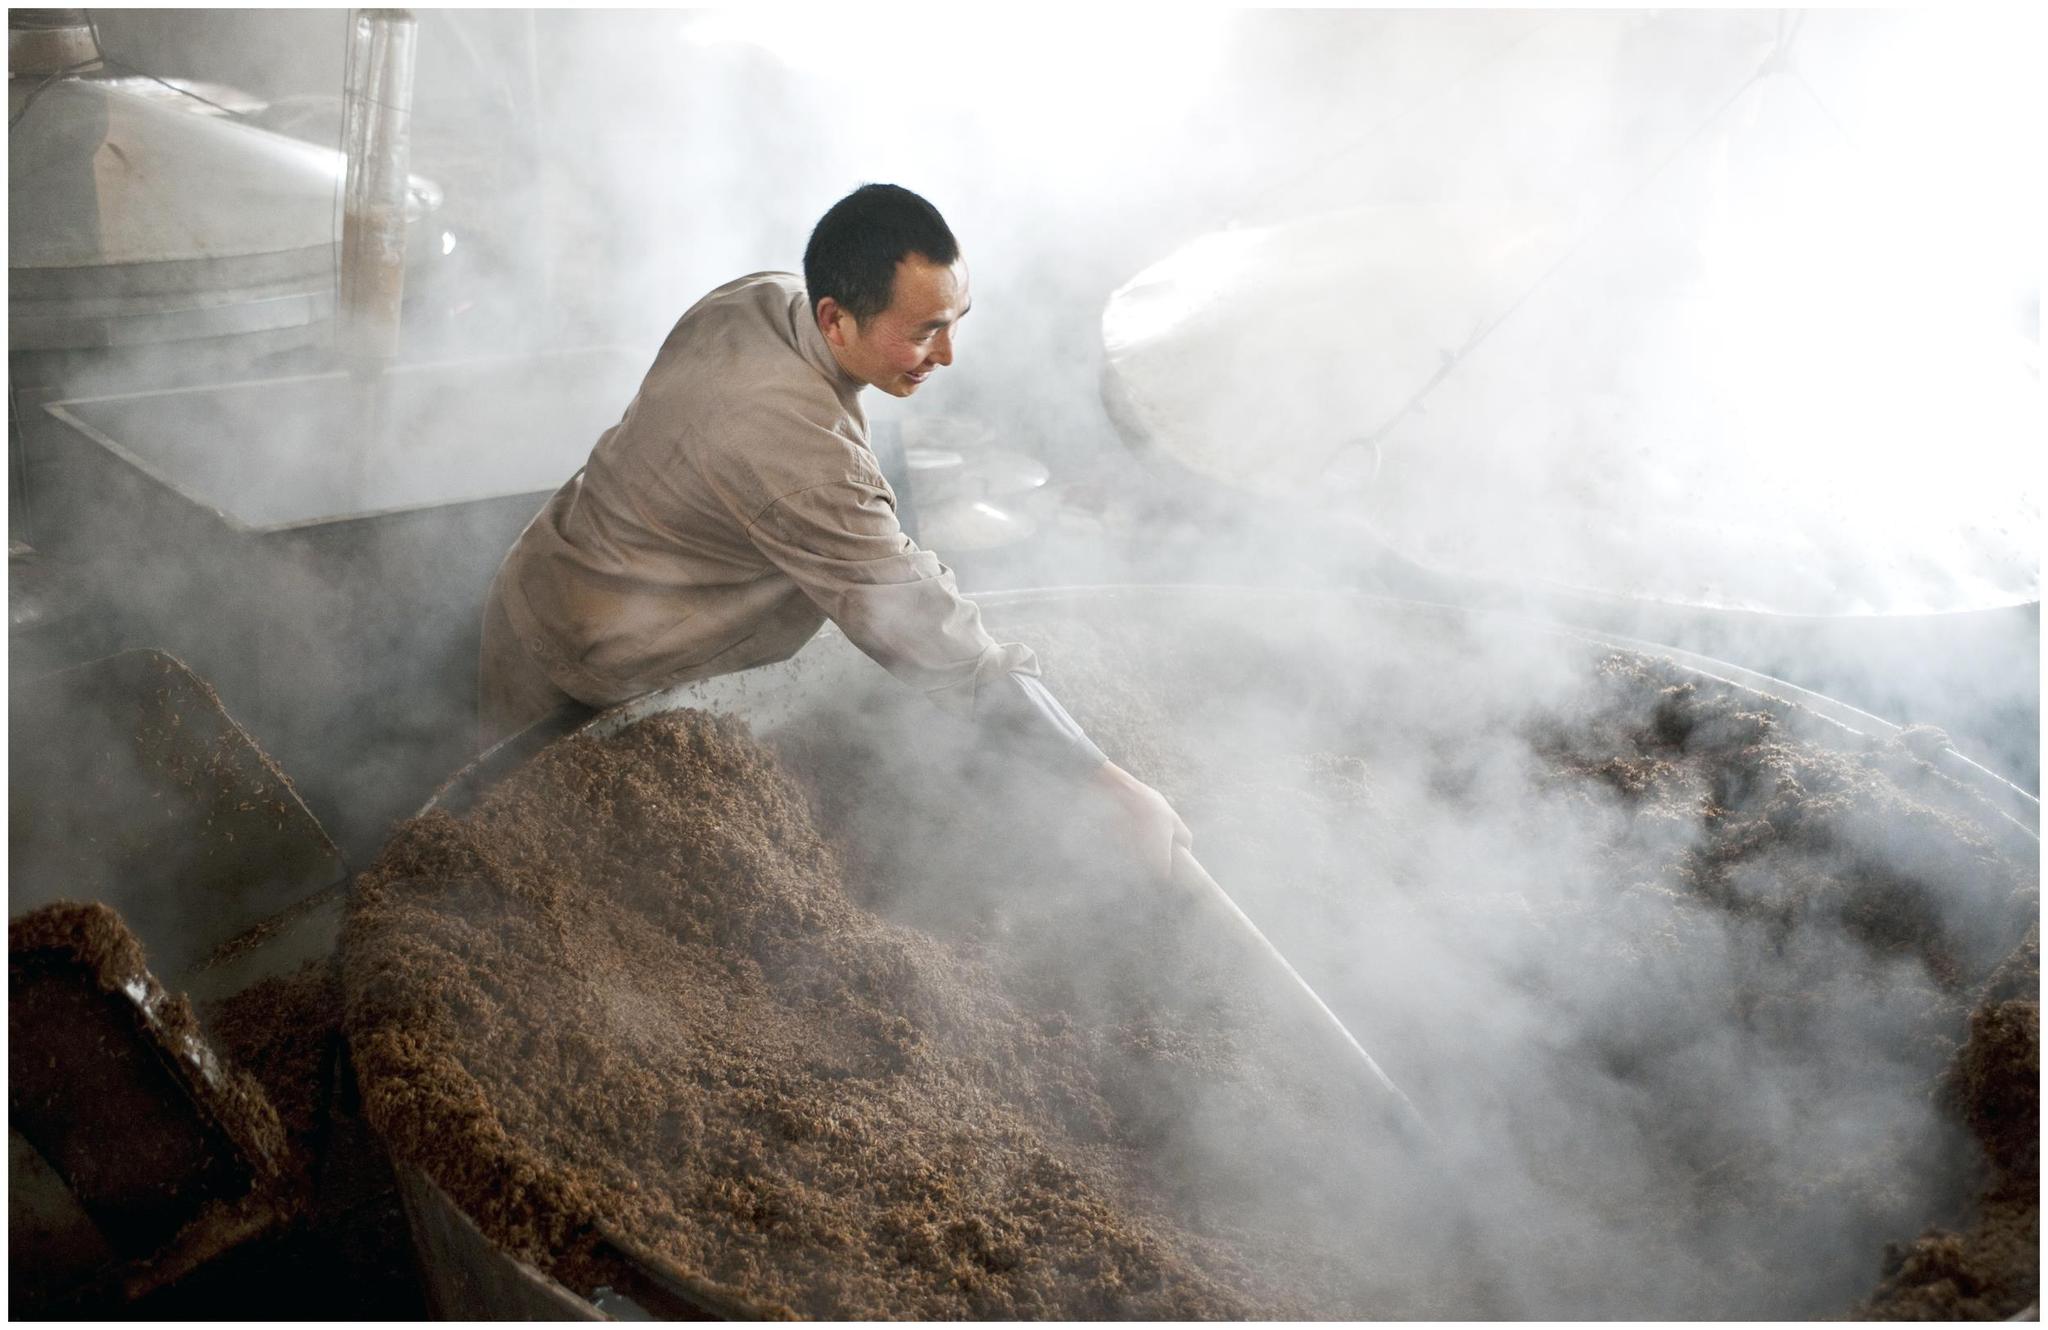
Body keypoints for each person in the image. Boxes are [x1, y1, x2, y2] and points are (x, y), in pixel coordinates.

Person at [478, 183, 1190, 875]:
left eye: (955, 319)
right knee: (556, 869)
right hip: (579, 667)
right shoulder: (794, 451)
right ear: (835, 319)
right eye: (925, 331)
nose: (948, 354)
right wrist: (1107, 783)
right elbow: (936, 641)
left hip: (558, 565)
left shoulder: (760, 295)